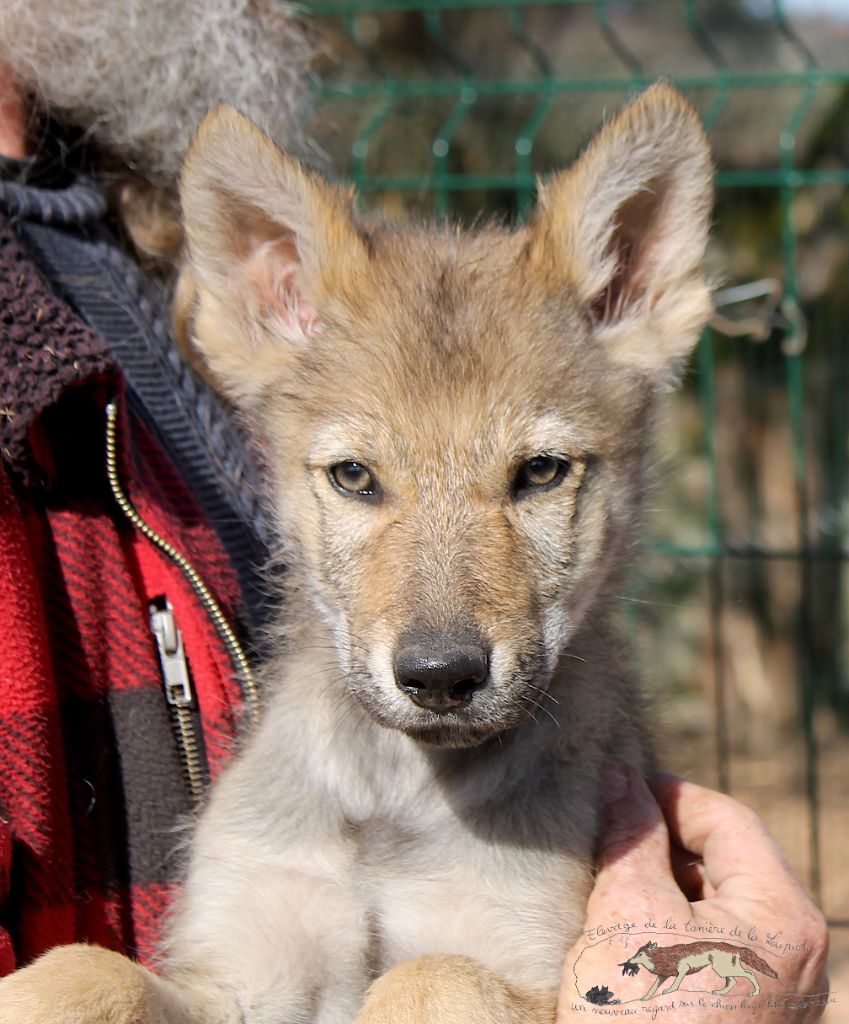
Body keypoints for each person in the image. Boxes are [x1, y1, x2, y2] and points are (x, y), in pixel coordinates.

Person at [0, 5, 830, 1019]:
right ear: (261, 306)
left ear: (633, 288)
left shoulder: (128, 242)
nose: (441, 630)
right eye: (356, 478)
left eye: (536, 475)